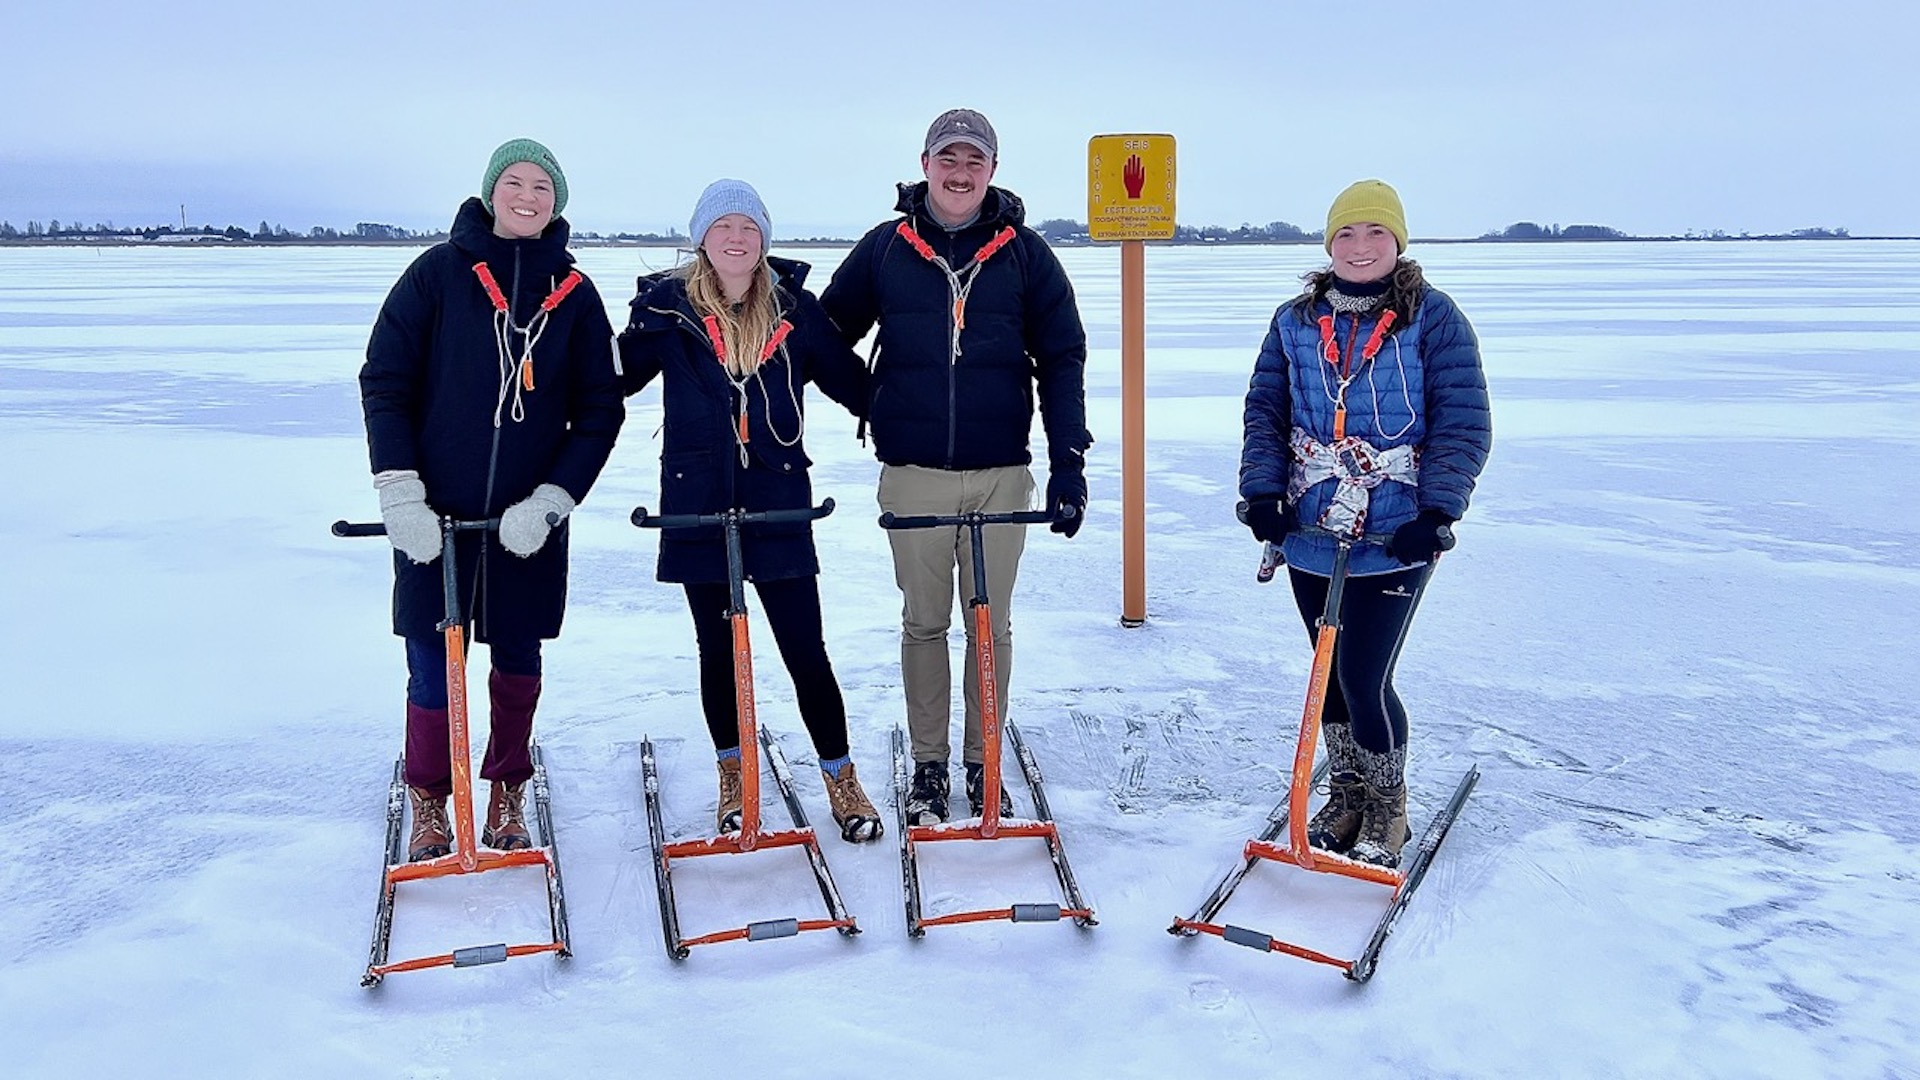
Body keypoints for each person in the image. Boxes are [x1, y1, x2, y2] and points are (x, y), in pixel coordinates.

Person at [820, 108, 1092, 825]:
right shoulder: (885, 249)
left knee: (990, 625)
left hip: (1003, 471)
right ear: (926, 163)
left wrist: (1069, 462)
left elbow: (1063, 357)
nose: (961, 172)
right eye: (949, 159)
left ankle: (984, 761)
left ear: (992, 171)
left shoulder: (1026, 254)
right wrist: (874, 401)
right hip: (914, 475)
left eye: (975, 161)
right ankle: (931, 765)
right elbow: (821, 336)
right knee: (923, 624)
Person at [360, 138, 625, 862]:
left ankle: (507, 785)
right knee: (430, 661)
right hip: (434, 521)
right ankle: (430, 796)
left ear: (557, 203)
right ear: (490, 191)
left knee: (516, 658)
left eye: (544, 186)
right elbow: (385, 382)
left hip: (524, 525)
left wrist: (552, 499)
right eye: (515, 182)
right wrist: (399, 491)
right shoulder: (434, 277)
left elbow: (601, 409)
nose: (529, 196)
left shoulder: (574, 295)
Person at [616, 179, 883, 844]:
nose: (736, 238)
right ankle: (733, 775)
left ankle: (840, 777)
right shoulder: (665, 313)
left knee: (805, 651)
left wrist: (922, 414)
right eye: (722, 226)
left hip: (777, 504)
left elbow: (856, 388)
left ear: (763, 238)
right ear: (702, 237)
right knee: (717, 652)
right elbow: (604, 382)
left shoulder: (795, 311)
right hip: (696, 507)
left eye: (749, 227)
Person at [1239, 178, 1491, 867]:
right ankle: (1346, 794)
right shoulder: (1295, 320)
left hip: (1395, 533)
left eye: (1375, 233)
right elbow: (1266, 411)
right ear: (1328, 245)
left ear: (1397, 242)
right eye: (1346, 234)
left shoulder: (1433, 319)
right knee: (1325, 674)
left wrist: (1438, 511)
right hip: (1312, 529)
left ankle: (1388, 805)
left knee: (1362, 675)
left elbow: (1462, 421)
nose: (1360, 247)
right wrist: (1264, 496)